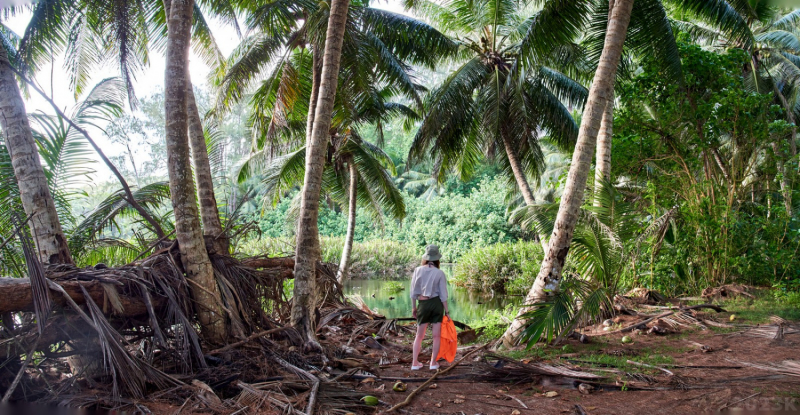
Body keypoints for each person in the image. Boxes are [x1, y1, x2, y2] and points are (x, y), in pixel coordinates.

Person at [410, 245, 449, 370]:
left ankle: (415, 363)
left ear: (425, 257)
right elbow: (443, 295)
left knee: (419, 335)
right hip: (436, 304)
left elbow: (413, 292)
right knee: (436, 336)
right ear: (437, 258)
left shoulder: (417, 270)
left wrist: (413, 308)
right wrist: (447, 312)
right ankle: (433, 363)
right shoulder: (440, 273)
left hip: (423, 303)